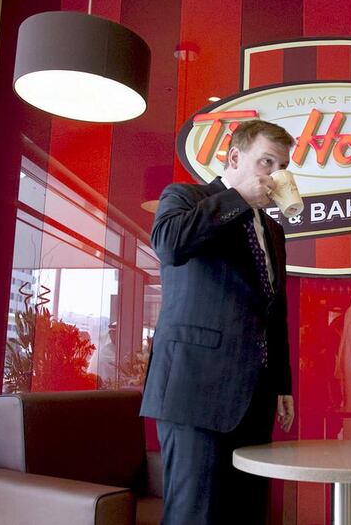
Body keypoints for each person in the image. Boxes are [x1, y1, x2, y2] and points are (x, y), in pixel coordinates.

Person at [140, 120, 296, 525]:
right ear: (234, 157)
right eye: (266, 162)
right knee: (195, 516)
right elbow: (170, 245)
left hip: (254, 397)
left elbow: (273, 310)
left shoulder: (273, 230)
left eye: (282, 165)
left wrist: (281, 384)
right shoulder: (185, 198)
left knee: (246, 513)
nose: (275, 175)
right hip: (193, 391)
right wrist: (238, 199)